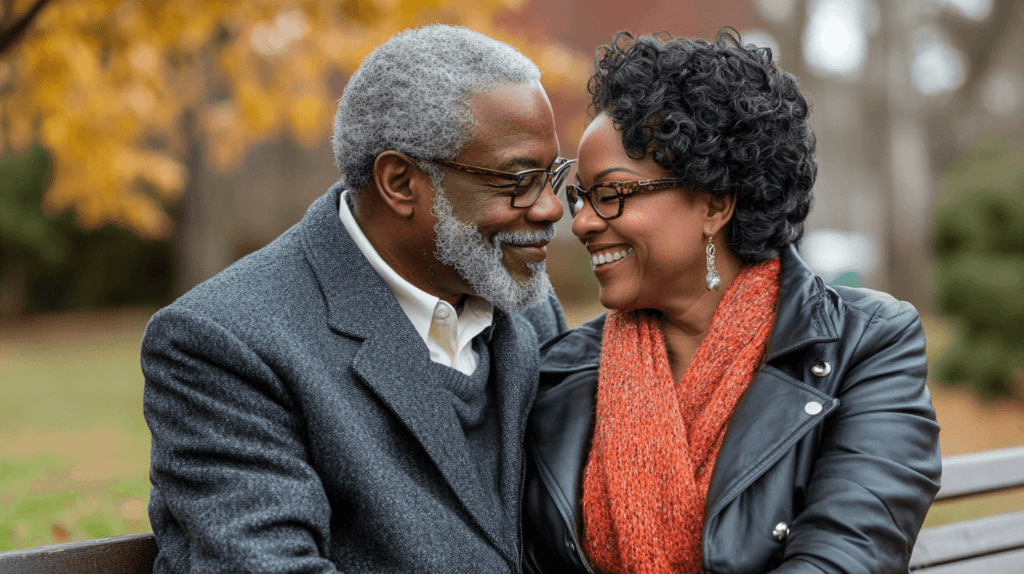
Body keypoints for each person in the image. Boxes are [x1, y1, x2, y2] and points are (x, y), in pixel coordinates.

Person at [142, 25, 573, 573]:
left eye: (552, 175)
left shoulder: (529, 311)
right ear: (399, 182)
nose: (551, 210)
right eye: (519, 180)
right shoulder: (226, 343)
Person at [522, 30, 941, 574]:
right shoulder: (563, 371)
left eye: (609, 194)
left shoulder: (864, 345)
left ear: (715, 204)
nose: (580, 222)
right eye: (580, 196)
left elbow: (848, 552)